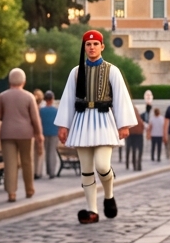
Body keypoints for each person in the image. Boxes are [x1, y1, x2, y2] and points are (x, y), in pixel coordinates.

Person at [56, 29, 137, 224]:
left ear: (102, 46)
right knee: (86, 169)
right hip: (82, 121)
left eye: (95, 44)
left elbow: (120, 97)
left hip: (104, 121)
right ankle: (91, 210)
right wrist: (64, 126)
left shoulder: (112, 70)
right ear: (84, 47)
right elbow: (68, 99)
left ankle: (108, 195)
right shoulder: (76, 72)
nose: (91, 48)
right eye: (88, 45)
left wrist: (123, 123)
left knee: (102, 165)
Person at [0, 68, 42, 203]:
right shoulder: (29, 97)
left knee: (10, 163)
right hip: (25, 133)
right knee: (27, 161)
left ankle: (11, 193)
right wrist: (39, 134)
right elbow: (35, 118)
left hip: (7, 133)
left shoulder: (2, 96)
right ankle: (29, 189)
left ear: (10, 80)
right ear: (24, 81)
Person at [40, 91, 60, 178]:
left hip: (44, 132)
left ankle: (48, 170)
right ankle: (52, 171)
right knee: (52, 152)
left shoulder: (41, 110)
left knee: (46, 152)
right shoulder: (56, 110)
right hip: (54, 132)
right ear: (52, 99)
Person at [125, 107, 145, 171]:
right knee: (138, 150)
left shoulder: (130, 118)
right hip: (138, 135)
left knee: (132, 150)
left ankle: (132, 164)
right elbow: (142, 126)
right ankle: (138, 164)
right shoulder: (138, 118)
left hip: (132, 135)